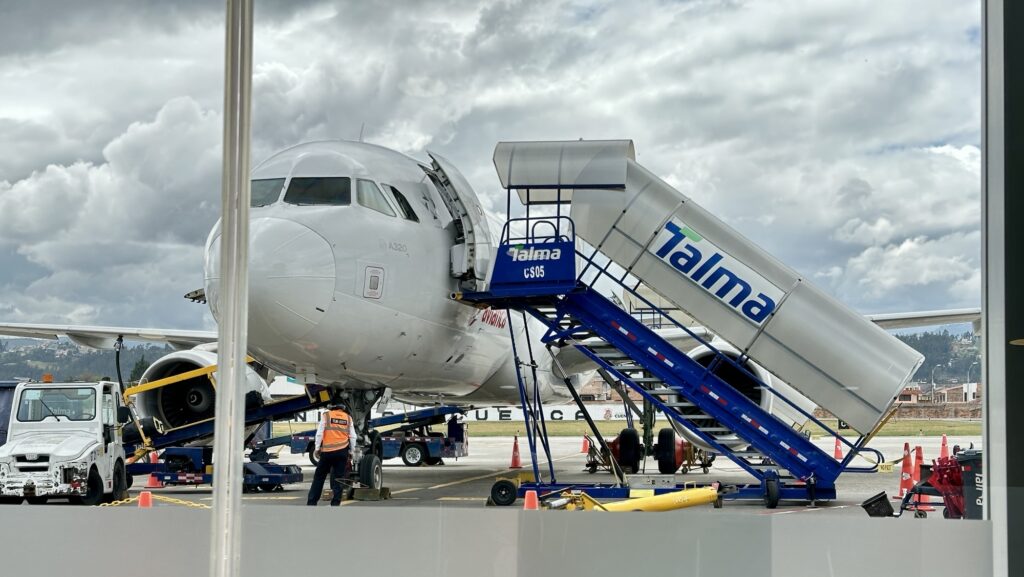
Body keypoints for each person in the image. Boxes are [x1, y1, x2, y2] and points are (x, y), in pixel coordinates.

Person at [306, 401, 358, 506]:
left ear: (332, 408)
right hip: (342, 452)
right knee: (339, 478)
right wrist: (352, 451)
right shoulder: (348, 418)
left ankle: (312, 502)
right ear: (342, 408)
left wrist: (317, 448)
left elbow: (319, 433)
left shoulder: (326, 415)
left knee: (319, 477)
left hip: (327, 452)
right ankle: (335, 503)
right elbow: (353, 437)